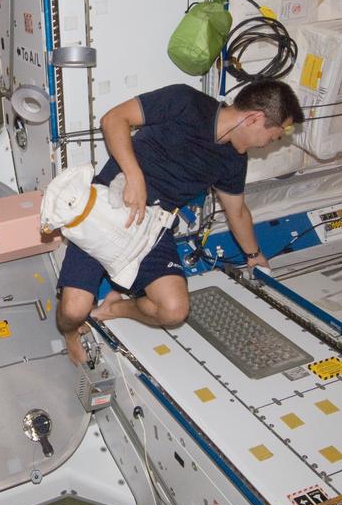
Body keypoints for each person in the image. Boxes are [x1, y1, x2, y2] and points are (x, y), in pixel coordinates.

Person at [57, 81, 303, 363]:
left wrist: (254, 255)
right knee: (73, 311)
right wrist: (134, 176)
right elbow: (114, 119)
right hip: (107, 208)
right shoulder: (185, 101)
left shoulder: (234, 160)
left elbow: (238, 213)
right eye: (274, 136)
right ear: (254, 118)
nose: (270, 143)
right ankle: (70, 334)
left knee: (174, 310)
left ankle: (114, 308)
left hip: (151, 228)